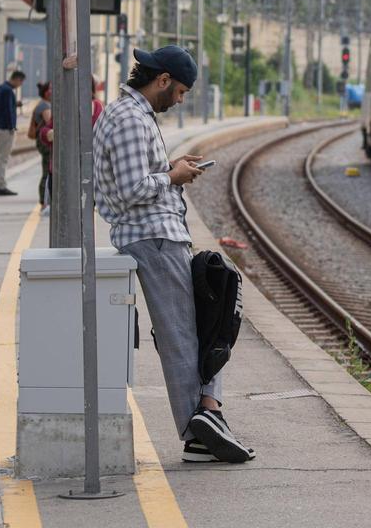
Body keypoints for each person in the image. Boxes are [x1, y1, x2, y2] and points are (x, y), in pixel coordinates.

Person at [93, 45, 255, 464]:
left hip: (162, 235)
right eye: (180, 91)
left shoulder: (133, 115)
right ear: (162, 80)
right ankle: (198, 431)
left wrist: (171, 168)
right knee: (183, 333)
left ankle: (209, 414)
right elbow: (131, 190)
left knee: (209, 316)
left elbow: (141, 178)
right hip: (152, 237)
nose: (180, 100)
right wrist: (173, 176)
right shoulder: (130, 119)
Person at [0, 70, 25, 196]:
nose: (20, 85)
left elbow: (1, 106)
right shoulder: (8, 91)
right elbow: (8, 112)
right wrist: (12, 127)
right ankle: (0, 186)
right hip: (5, 129)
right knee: (3, 159)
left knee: (0, 158)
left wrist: (14, 104)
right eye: (21, 82)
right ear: (17, 79)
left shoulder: (1, 88)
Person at [29, 82, 52, 207]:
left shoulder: (44, 104)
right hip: (45, 143)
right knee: (47, 170)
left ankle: (44, 199)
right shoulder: (44, 106)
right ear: (46, 92)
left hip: (42, 142)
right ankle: (44, 200)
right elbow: (50, 122)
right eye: (51, 89)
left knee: (47, 169)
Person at [37, 110, 53, 215]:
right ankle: (44, 202)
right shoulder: (44, 107)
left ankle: (44, 203)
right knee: (45, 174)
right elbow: (46, 128)